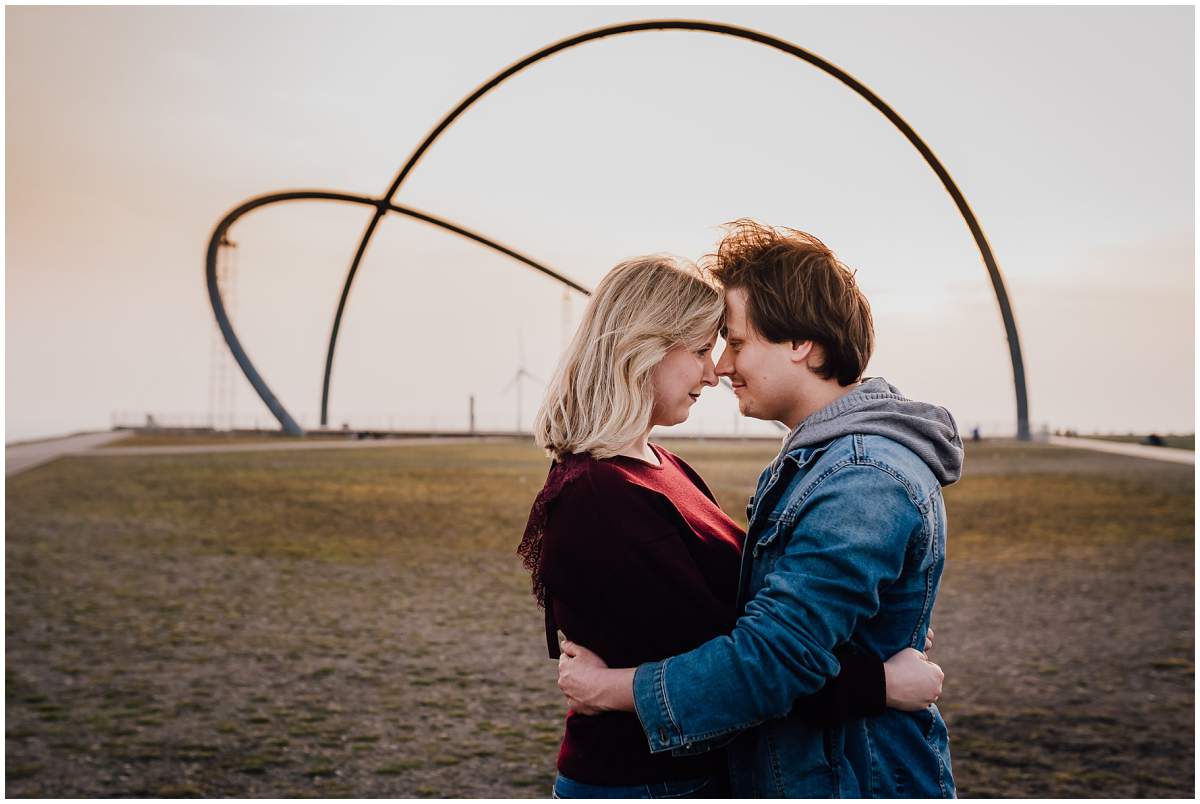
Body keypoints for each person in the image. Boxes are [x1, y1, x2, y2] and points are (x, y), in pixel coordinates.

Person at [556, 222, 963, 798]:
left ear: (802, 344)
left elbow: (771, 658)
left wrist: (611, 689)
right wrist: (877, 678)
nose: (720, 367)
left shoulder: (860, 479)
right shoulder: (822, 462)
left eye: (736, 342)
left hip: (846, 779)